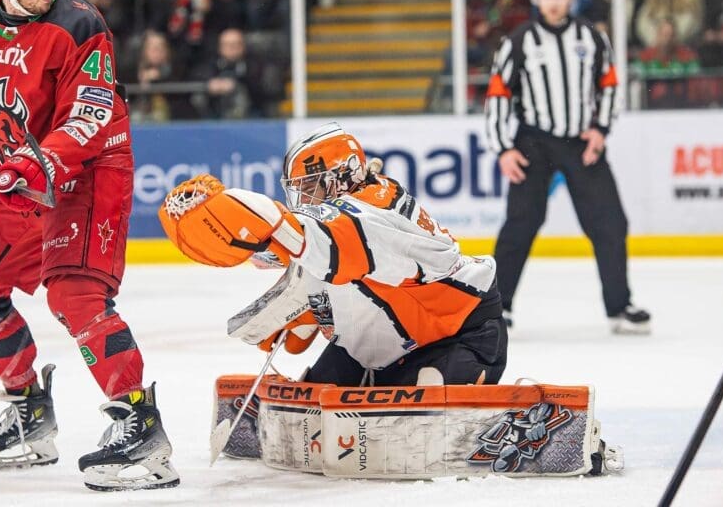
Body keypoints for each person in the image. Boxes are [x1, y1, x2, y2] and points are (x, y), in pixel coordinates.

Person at [0, 0, 178, 491]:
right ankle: (27, 414)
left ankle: (140, 425)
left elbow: (88, 116)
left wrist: (36, 161)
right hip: (24, 171)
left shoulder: (79, 23)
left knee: (75, 294)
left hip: (90, 168)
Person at [160, 122, 508, 388]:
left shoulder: (375, 212)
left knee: (427, 397)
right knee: (317, 389)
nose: (306, 200)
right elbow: (324, 263)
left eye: (311, 188)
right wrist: (304, 312)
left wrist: (238, 211)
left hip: (461, 333)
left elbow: (317, 242)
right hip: (396, 341)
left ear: (341, 176)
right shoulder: (341, 223)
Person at [484, 0, 650, 335]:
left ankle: (619, 305)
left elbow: (609, 84)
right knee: (520, 224)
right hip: (533, 141)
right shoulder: (518, 42)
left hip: (580, 142)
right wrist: (503, 149)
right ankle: (496, 308)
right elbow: (497, 95)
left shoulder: (591, 37)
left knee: (610, 222)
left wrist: (600, 130)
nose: (554, 2)